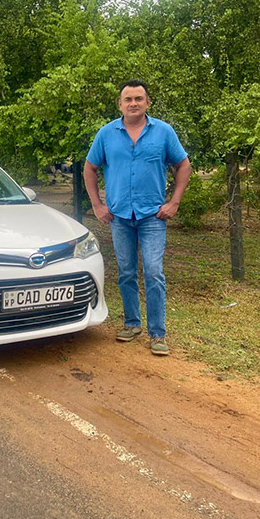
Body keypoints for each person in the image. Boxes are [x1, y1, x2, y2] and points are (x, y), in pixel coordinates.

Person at [84, 79, 191, 356]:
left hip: (153, 216)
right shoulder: (106, 134)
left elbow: (183, 165)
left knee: (153, 272)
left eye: (138, 99)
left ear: (147, 102)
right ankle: (132, 324)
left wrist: (174, 202)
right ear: (120, 104)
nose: (133, 103)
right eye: (128, 99)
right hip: (119, 216)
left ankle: (158, 333)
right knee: (127, 272)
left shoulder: (163, 132)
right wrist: (97, 205)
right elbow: (90, 168)